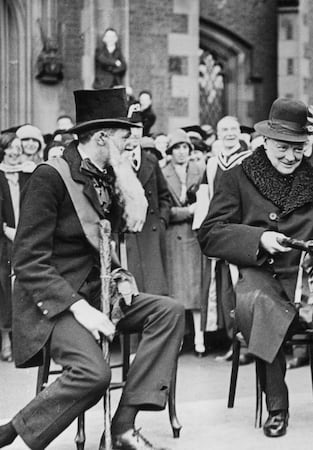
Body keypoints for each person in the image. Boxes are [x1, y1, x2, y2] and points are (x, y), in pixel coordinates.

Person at [0, 87, 184, 450]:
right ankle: (16, 436)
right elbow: (27, 260)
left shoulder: (108, 175)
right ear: (102, 137)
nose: (131, 147)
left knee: (169, 311)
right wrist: (80, 309)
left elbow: (118, 233)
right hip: (53, 304)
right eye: (124, 139)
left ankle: (123, 428)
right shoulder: (50, 176)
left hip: (102, 292)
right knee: (94, 374)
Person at [198, 98, 313, 438]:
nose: (290, 156)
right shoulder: (236, 176)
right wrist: (259, 238)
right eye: (283, 147)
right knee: (261, 307)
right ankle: (277, 408)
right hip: (263, 268)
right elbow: (210, 233)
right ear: (265, 141)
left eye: (298, 148)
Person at [193, 115, 254, 364]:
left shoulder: (251, 159)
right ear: (217, 134)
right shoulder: (213, 163)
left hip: (245, 229)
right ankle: (235, 342)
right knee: (227, 290)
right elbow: (206, 200)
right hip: (222, 230)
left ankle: (250, 344)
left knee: (246, 287)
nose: (229, 133)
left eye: (233, 129)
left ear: (239, 132)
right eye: (224, 129)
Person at [163, 130, 207, 356]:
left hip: (193, 236)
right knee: (177, 292)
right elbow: (162, 209)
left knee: (195, 291)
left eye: (185, 148)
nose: (181, 152)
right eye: (177, 148)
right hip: (172, 236)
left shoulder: (199, 170)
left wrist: (198, 210)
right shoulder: (162, 172)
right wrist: (186, 211)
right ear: (170, 152)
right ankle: (178, 339)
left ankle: (199, 338)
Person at [123, 125, 171, 296]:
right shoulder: (114, 161)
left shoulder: (151, 160)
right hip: (127, 235)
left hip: (151, 233)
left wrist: (161, 222)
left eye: (138, 128)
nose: (134, 133)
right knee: (130, 290)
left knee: (154, 290)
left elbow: (164, 196)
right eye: (130, 128)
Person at [0, 133, 33, 363]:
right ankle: (5, 340)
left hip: (26, 237)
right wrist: (6, 230)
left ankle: (26, 342)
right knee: (5, 289)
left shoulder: (27, 174)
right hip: (3, 240)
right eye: (10, 148)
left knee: (26, 288)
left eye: (17, 147)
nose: (14, 152)